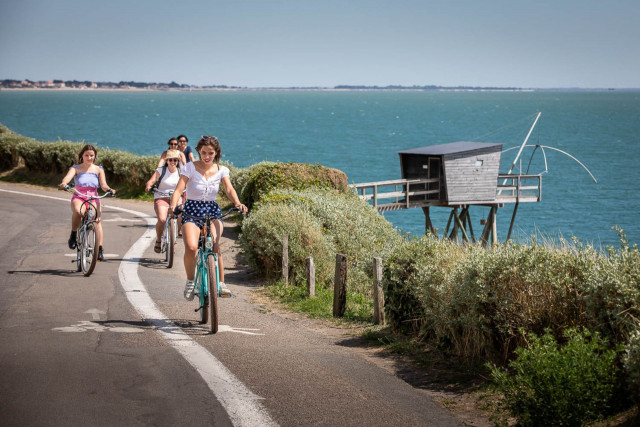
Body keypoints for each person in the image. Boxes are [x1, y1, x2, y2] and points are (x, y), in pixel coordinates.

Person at [169, 135, 248, 300]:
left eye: (210, 153)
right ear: (198, 151)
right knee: (191, 247)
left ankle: (220, 283)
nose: (207, 156)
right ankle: (190, 281)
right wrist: (173, 205)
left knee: (215, 246)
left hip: (212, 210)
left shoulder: (222, 170)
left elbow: (229, 189)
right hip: (191, 210)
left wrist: (238, 203)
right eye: (204, 152)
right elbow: (178, 190)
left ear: (216, 153)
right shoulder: (189, 168)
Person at [58, 144, 116, 261]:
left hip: (93, 197)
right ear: (82, 156)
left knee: (97, 220)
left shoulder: (99, 169)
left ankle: (99, 249)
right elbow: (67, 178)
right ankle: (73, 235)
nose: (89, 158)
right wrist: (64, 184)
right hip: (79, 196)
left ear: (94, 157)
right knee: (79, 213)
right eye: (86, 155)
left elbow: (103, 185)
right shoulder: (76, 168)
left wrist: (110, 190)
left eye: (91, 155)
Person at [145, 149, 182, 253]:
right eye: (170, 160)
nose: (173, 162)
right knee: (162, 219)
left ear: (178, 161)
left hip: (176, 197)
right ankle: (158, 240)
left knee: (181, 215)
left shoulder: (181, 172)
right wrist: (149, 186)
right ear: (167, 161)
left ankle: (176, 234)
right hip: (161, 197)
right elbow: (151, 181)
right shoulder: (161, 171)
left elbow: (188, 183)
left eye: (175, 160)